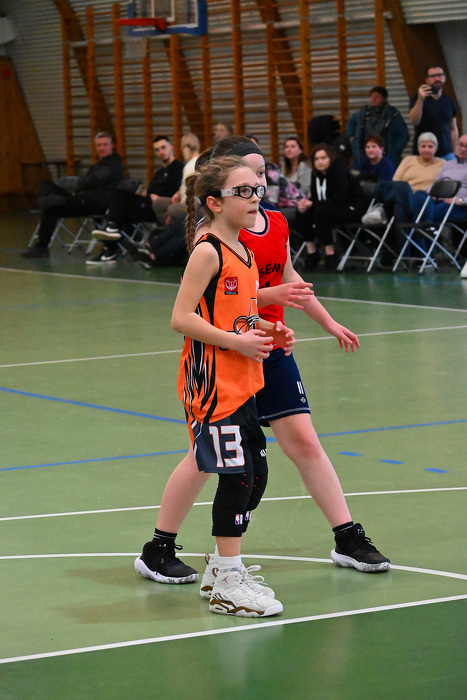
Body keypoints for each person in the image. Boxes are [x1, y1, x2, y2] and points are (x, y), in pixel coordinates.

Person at [133, 135, 390, 597]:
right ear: (219, 190)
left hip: (261, 347)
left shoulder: (266, 228)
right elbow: (203, 307)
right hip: (222, 359)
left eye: (260, 178)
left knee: (281, 453)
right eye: (246, 180)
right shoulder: (212, 239)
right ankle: (174, 551)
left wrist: (300, 324)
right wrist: (254, 321)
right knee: (215, 462)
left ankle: (344, 536)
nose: (256, 187)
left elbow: (269, 288)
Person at [157, 154, 296, 617]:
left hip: (243, 380)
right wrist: (237, 342)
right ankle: (228, 584)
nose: (255, 198)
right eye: (243, 191)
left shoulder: (245, 252)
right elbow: (181, 318)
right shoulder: (208, 250)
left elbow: (241, 310)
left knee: (256, 474)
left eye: (258, 189)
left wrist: (269, 328)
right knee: (236, 476)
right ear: (215, 202)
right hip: (212, 385)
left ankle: (220, 568)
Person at [21, 132, 124, 258]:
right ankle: (42, 245)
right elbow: (87, 182)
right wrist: (82, 185)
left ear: (111, 146)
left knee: (53, 204)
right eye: (98, 145)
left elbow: (91, 181)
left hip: (96, 202)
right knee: (47, 188)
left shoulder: (115, 165)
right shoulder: (98, 165)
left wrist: (83, 184)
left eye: (105, 144)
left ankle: (52, 202)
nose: (101, 148)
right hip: (82, 198)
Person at [88, 135, 183, 265]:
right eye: (157, 149)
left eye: (163, 147)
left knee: (119, 211)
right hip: (146, 203)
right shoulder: (160, 172)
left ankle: (109, 248)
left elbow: (175, 192)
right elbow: (149, 190)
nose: (161, 152)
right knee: (120, 195)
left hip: (158, 207)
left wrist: (154, 195)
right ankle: (111, 231)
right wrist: (150, 193)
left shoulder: (179, 168)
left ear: (171, 147)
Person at [294, 143, 368, 271]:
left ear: (331, 158)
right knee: (302, 212)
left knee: (320, 212)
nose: (320, 162)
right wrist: (306, 203)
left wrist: (313, 203)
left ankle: (330, 253)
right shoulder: (315, 174)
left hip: (352, 208)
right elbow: (317, 198)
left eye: (323, 158)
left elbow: (339, 199)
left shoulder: (339, 172)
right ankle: (312, 252)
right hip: (329, 207)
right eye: (317, 159)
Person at [346, 86, 409, 170]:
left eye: (377, 96)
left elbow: (404, 134)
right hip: (364, 155)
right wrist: (351, 136)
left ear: (384, 98)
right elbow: (351, 122)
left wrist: (396, 149)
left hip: (386, 155)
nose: (374, 99)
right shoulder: (363, 113)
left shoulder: (393, 115)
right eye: (372, 96)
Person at [409, 65, 458, 160]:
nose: (437, 78)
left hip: (446, 153)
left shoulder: (449, 100)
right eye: (433, 76)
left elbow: (453, 128)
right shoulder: (417, 98)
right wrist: (420, 99)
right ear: (427, 80)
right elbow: (414, 121)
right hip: (424, 153)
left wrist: (455, 152)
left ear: (444, 78)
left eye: (439, 75)